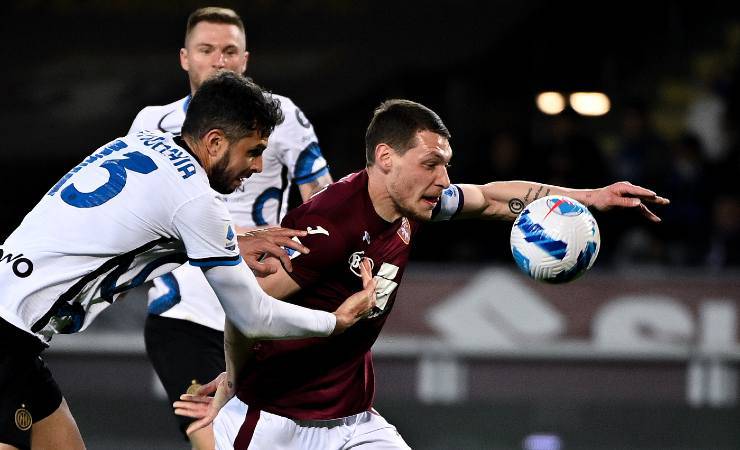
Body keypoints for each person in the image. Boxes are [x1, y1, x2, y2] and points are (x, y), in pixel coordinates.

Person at [174, 99, 670, 450]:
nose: (444, 180)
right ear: (385, 159)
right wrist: (234, 380)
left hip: (354, 424)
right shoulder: (331, 224)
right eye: (431, 164)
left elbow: (492, 198)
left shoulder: (413, 204)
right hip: (275, 426)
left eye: (446, 165)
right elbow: (246, 310)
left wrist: (592, 198)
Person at [0, 72, 373, 450]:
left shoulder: (137, 143)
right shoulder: (196, 200)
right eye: (254, 150)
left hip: (14, 331)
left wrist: (235, 240)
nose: (258, 167)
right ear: (214, 142)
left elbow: (135, 224)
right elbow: (253, 317)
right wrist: (336, 322)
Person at [127, 7, 334, 448]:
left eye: (229, 51)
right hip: (185, 315)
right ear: (185, 58)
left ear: (245, 59)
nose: (218, 61)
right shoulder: (152, 123)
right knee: (212, 439)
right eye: (207, 50)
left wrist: (309, 272)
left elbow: (323, 204)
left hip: (263, 313)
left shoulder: (284, 117)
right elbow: (137, 217)